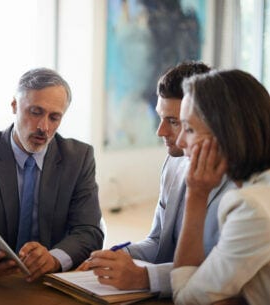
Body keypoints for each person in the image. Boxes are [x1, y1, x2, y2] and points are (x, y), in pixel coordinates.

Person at [78, 62, 236, 297]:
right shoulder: (174, 163)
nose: (160, 131)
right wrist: (119, 256)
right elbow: (158, 242)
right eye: (161, 117)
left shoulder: (240, 186)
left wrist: (144, 277)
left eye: (174, 122)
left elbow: (219, 274)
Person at [0, 68, 104, 281]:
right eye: (35, 112)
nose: (44, 127)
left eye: (54, 117)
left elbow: (89, 231)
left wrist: (55, 258)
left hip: (52, 281)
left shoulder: (79, 158)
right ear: (14, 106)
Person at [171, 69, 270, 305]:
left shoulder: (251, 206)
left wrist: (196, 195)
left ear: (228, 133)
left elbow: (187, 299)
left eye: (190, 129)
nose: (179, 141)